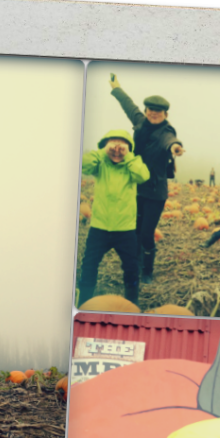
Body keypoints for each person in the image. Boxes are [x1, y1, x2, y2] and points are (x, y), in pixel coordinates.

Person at [109, 74, 185, 283]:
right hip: (136, 187)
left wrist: (175, 147)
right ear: (146, 111)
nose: (153, 113)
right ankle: (135, 262)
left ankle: (148, 271)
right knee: (133, 230)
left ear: (165, 114)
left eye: (158, 111)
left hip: (154, 192)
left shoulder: (165, 130)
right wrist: (116, 88)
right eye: (150, 110)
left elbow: (170, 140)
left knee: (146, 234)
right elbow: (128, 104)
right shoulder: (140, 122)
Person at [77, 129, 149, 307]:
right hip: (99, 227)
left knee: (131, 268)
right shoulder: (100, 165)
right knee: (89, 266)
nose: (117, 151)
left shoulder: (133, 165)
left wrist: (129, 156)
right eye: (112, 146)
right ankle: (84, 301)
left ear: (129, 149)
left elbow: (143, 175)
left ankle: (132, 302)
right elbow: (83, 164)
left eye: (121, 146)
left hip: (125, 229)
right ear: (105, 147)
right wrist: (103, 151)